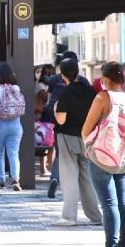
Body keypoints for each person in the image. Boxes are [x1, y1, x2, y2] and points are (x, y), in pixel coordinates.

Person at [53, 58, 102, 226]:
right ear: (78, 72)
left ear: (63, 74)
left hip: (67, 137)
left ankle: (69, 217)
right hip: (87, 138)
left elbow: (61, 120)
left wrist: (54, 109)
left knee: (69, 177)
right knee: (87, 178)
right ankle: (95, 216)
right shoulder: (90, 90)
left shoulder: (65, 93)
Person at [82, 62, 125, 247]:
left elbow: (86, 129)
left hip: (101, 158)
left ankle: (111, 243)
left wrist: (89, 148)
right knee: (122, 203)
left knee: (109, 205)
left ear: (105, 79)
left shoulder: (102, 98)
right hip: (122, 158)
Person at [46, 50, 90, 198]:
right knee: (84, 163)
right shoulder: (84, 83)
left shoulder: (55, 81)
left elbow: (50, 101)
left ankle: (55, 178)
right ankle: (86, 196)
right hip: (83, 129)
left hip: (62, 127)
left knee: (62, 157)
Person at [0, 62, 24, 191]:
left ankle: (1, 181)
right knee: (14, 153)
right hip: (15, 125)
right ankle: (15, 180)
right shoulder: (16, 88)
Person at [35, 64, 56, 176]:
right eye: (47, 73)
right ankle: (45, 168)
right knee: (44, 143)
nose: (50, 76)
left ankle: (48, 167)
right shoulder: (40, 86)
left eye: (52, 73)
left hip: (48, 116)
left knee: (49, 143)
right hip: (44, 117)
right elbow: (47, 98)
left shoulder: (48, 86)